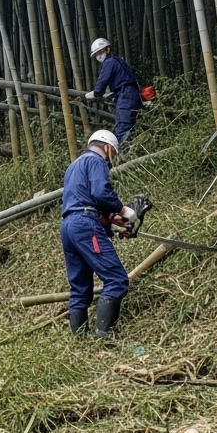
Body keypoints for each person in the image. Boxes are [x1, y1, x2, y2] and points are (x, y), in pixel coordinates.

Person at [60, 130, 138, 339]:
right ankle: (104, 333)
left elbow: (84, 201)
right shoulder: (96, 161)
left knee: (80, 285)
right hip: (85, 223)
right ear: (108, 148)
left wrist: (109, 223)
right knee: (116, 279)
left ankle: (80, 338)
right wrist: (123, 211)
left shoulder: (73, 166)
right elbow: (100, 193)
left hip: (69, 226)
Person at [84, 38, 142, 145]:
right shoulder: (118, 60)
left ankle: (124, 154)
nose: (98, 56)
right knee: (127, 125)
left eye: (100, 52)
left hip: (126, 95)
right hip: (128, 94)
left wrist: (95, 93)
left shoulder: (110, 62)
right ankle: (130, 149)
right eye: (96, 54)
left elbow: (103, 80)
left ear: (107, 49)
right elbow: (123, 80)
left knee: (123, 127)